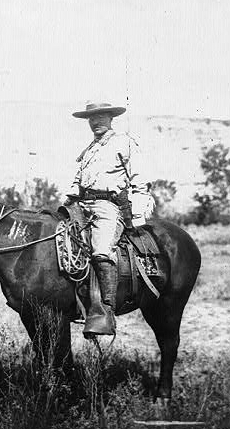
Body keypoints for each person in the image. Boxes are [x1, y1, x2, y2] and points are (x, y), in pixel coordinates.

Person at [65, 101, 153, 336]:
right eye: (92, 119)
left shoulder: (124, 143)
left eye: (101, 117)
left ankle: (104, 312)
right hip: (82, 204)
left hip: (108, 205)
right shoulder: (90, 149)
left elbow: (140, 179)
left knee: (101, 251)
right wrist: (70, 197)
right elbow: (78, 179)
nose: (96, 122)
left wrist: (137, 214)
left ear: (111, 118)